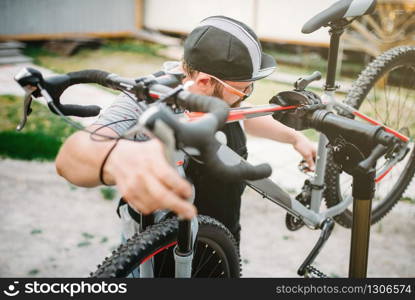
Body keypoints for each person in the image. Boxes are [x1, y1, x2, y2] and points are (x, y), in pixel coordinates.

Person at [55, 16, 316, 245]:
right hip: (157, 257)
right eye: (243, 89)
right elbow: (70, 159)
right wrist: (116, 157)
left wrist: (295, 138)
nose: (245, 96)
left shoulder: (217, 90)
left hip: (223, 241)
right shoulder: (147, 98)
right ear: (204, 81)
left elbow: (242, 117)